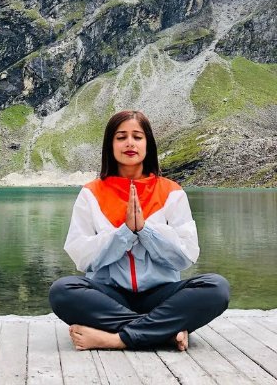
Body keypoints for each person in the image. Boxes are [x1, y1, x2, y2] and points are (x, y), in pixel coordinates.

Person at [49, 110, 230, 351]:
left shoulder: (171, 191)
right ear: (110, 145)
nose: (130, 143)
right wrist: (124, 233)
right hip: (110, 296)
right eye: (121, 137)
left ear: (148, 144)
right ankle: (163, 332)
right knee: (62, 291)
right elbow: (82, 258)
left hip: (161, 295)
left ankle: (115, 339)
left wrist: (145, 231)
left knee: (216, 287)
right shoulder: (91, 193)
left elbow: (185, 256)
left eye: (138, 136)